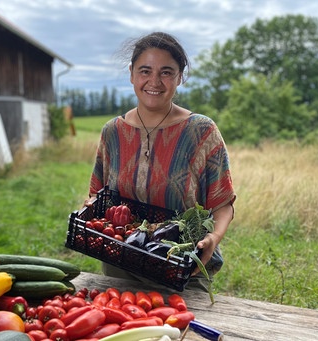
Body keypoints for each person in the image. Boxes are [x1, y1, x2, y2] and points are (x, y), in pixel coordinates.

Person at [84, 32, 236, 291]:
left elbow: (223, 204)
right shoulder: (113, 132)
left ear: (180, 77)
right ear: (132, 74)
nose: (154, 81)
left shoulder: (201, 132)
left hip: (180, 267)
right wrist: (90, 208)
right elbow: (97, 197)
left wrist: (213, 237)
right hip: (119, 264)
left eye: (166, 72)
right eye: (145, 71)